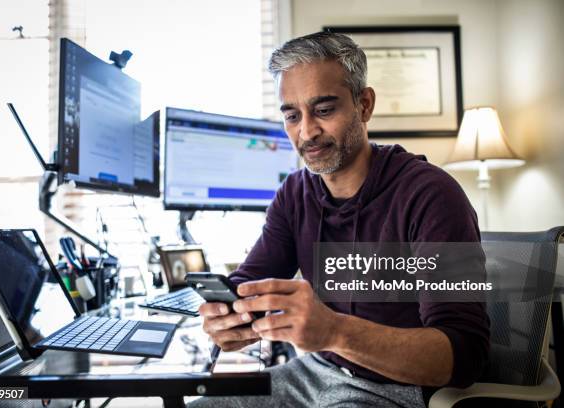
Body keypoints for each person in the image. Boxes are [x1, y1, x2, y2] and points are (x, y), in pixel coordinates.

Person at [190, 31, 489, 408]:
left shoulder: (431, 195)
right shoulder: (295, 193)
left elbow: (465, 356)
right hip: (313, 372)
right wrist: (227, 317)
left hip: (400, 389)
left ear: (364, 105)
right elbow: (251, 283)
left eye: (324, 110)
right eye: (292, 116)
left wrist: (334, 331)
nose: (307, 132)